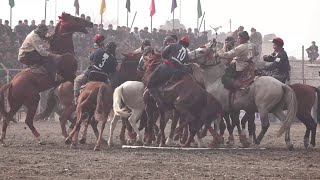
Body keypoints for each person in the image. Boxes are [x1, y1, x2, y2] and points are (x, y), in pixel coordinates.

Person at [147, 36, 190, 108]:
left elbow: (163, 54)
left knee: (150, 83)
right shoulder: (186, 52)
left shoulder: (173, 45)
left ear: (180, 41)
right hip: (179, 72)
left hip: (167, 68)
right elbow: (186, 61)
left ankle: (158, 102)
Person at [73, 34, 118, 104]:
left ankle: (76, 98)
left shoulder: (99, 51)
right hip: (103, 77)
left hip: (92, 73)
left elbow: (91, 58)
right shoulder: (114, 60)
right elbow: (112, 71)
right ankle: (111, 104)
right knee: (110, 89)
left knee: (77, 80)